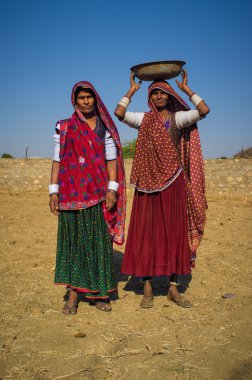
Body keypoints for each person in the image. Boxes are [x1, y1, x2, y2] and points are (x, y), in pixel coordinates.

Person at [114, 69, 210, 308]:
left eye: (163, 93)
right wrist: (131, 91)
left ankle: (173, 289)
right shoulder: (144, 120)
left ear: (169, 95)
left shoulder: (177, 119)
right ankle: (147, 286)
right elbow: (119, 113)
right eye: (154, 93)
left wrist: (187, 89)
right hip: (147, 185)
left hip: (174, 183)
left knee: (174, 233)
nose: (158, 97)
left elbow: (203, 111)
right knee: (149, 232)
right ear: (149, 97)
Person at [49, 81, 126, 313]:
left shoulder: (104, 127)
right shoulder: (63, 127)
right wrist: (53, 191)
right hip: (70, 195)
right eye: (81, 98)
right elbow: (57, 160)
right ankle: (73, 295)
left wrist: (112, 189)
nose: (85, 101)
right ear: (75, 100)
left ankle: (100, 294)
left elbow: (111, 160)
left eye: (89, 97)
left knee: (99, 244)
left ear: (95, 99)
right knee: (73, 245)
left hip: (98, 194)